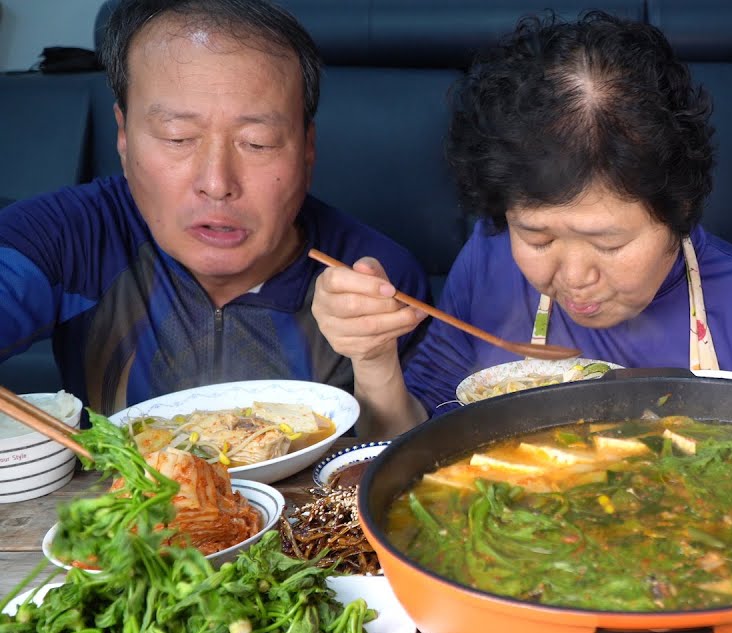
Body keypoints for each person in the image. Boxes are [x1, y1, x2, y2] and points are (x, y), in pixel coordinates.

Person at [314, 11, 732, 437]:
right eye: (537, 237)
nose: (575, 277)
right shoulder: (489, 259)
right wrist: (374, 359)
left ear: (678, 212)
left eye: (608, 244)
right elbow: (409, 447)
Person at [0, 0, 430, 413]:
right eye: (178, 137)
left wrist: (375, 360)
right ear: (124, 137)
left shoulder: (375, 279)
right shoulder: (64, 236)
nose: (217, 184)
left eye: (257, 143)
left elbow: (411, 448)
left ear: (307, 148)